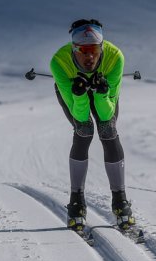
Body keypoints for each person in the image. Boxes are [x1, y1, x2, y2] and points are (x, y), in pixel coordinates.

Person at [50, 18, 133, 232]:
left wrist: (102, 93)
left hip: (103, 94)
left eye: (94, 50)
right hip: (74, 95)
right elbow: (81, 115)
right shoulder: (59, 62)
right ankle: (76, 200)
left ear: (102, 47)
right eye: (83, 51)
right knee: (84, 131)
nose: (89, 57)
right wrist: (79, 95)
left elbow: (106, 115)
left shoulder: (115, 58)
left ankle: (120, 200)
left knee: (108, 130)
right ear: (74, 49)